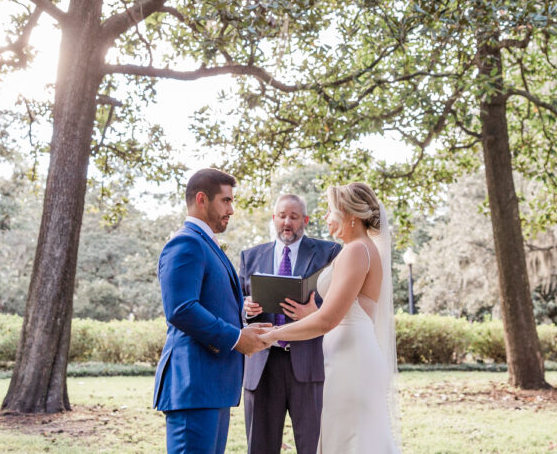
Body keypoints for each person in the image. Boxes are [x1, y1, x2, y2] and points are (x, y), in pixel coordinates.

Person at [260, 182, 400, 453]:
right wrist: (315, 313)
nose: (326, 218)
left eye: (330, 211)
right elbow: (358, 311)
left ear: (350, 217)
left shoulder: (356, 250)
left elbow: (328, 321)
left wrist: (272, 335)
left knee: (351, 441)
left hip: (352, 363)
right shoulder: (365, 249)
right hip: (352, 356)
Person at [153, 168, 270, 454]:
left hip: (213, 386)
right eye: (226, 201)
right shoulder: (186, 242)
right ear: (202, 199)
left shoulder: (206, 243)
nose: (231, 209)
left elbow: (206, 302)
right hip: (194, 385)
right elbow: (181, 309)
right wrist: (236, 338)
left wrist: (241, 319)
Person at [239, 194, 342, 454]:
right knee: (259, 447)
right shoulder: (250, 256)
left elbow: (341, 303)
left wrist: (314, 311)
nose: (287, 222)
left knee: (314, 446)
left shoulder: (329, 253)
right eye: (282, 216)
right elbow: (237, 306)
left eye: (294, 217)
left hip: (309, 364)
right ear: (274, 218)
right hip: (262, 365)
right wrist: (245, 308)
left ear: (305, 220)